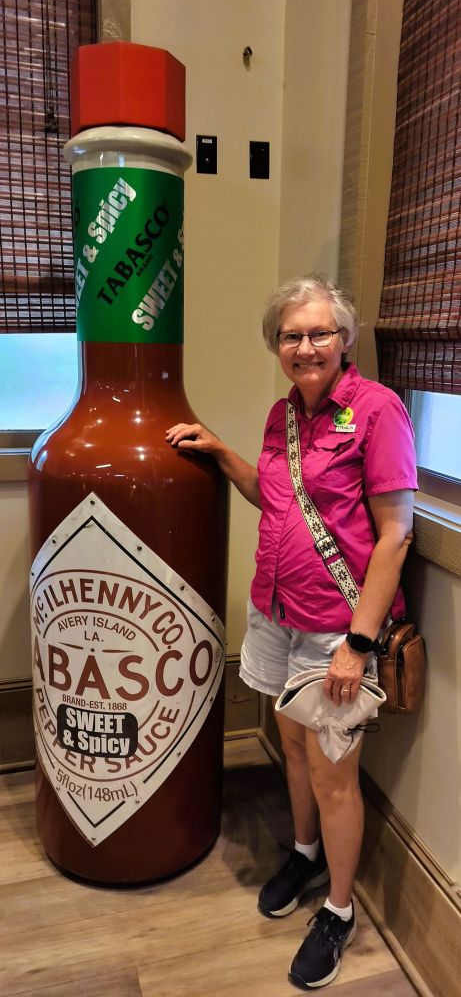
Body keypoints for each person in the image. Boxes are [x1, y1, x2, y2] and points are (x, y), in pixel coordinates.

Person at [166, 274, 418, 991]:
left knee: (335, 775)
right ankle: (304, 853)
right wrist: (221, 453)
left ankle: (338, 911)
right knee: (294, 748)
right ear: (276, 345)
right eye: (290, 335)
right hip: (275, 613)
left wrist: (358, 644)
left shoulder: (378, 410)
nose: (305, 347)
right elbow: (277, 499)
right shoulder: (284, 415)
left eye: (319, 333)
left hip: (337, 629)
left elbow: (395, 535)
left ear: (345, 338)